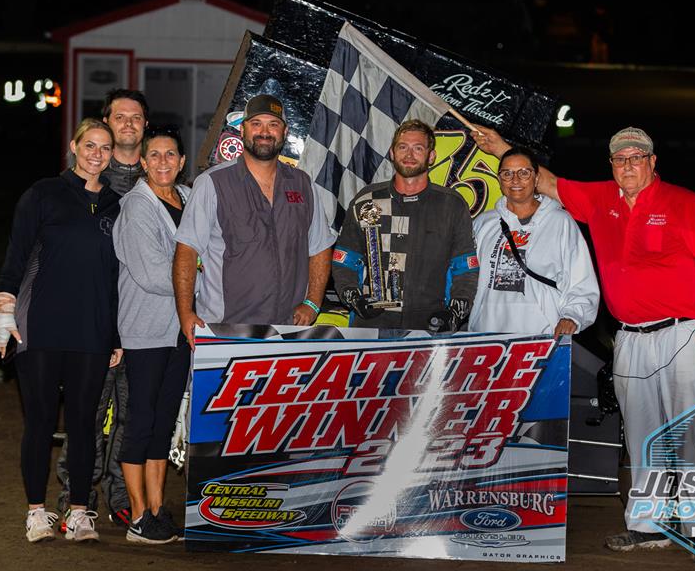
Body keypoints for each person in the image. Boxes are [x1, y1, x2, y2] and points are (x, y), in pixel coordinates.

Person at [474, 125, 695, 551]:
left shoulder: (683, 202)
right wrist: (500, 146)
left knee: (692, 428)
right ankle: (649, 525)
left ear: (652, 162)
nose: (628, 165)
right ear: (611, 165)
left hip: (683, 333)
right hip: (629, 337)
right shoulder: (601, 200)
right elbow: (548, 182)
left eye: (636, 158)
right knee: (641, 433)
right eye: (620, 159)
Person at [0, 118, 124, 543]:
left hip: (92, 332)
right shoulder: (43, 194)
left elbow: (117, 276)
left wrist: (117, 336)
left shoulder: (115, 205)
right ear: (74, 145)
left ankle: (79, 514)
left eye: (105, 147)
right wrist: (3, 311)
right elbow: (16, 256)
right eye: (90, 145)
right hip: (40, 329)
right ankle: (36, 511)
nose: (97, 154)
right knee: (41, 423)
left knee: (84, 424)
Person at [173, 94, 335, 345]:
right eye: (256, 123)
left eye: (273, 124)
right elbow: (186, 250)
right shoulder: (213, 183)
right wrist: (185, 312)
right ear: (242, 129)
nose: (264, 132)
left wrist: (313, 301)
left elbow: (321, 246)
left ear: (285, 131)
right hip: (225, 327)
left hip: (287, 329)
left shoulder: (303, 184)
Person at [56, 88, 149, 528]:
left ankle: (121, 497)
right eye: (120, 117)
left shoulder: (160, 176)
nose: (128, 123)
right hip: (93, 322)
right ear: (106, 124)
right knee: (86, 412)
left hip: (143, 322)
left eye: (136, 117)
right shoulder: (87, 177)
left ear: (144, 126)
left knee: (132, 417)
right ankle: (74, 496)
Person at [112, 127, 190, 544]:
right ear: (143, 162)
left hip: (181, 329)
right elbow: (153, 275)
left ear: (181, 161)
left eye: (170, 155)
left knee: (162, 423)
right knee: (140, 420)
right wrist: (201, 275)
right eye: (154, 155)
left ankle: (159, 509)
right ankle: (138, 516)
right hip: (145, 330)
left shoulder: (190, 199)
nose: (162, 162)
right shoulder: (137, 208)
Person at [331, 119, 478, 331]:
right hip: (371, 324)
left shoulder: (451, 204)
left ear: (432, 156)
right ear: (392, 153)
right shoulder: (367, 200)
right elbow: (344, 258)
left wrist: (454, 313)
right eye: (403, 147)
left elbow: (466, 267)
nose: (409, 155)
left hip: (430, 325)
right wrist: (354, 299)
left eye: (418, 148)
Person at [468, 146, 599, 336]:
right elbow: (465, 276)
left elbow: (581, 280)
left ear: (537, 178)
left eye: (524, 173)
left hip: (542, 335)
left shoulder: (560, 222)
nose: (515, 180)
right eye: (507, 173)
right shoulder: (483, 224)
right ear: (499, 179)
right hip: (487, 333)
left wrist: (572, 316)